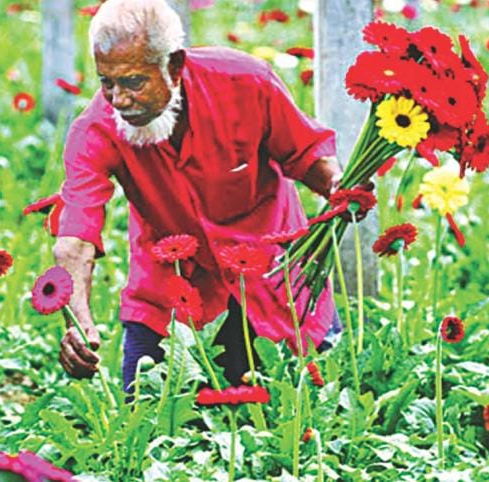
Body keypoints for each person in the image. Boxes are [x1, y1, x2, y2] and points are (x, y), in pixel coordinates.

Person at [53, 0, 342, 393]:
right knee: (149, 421)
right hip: (171, 292)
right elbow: (75, 239)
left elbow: (305, 153)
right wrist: (78, 319)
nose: (119, 99)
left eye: (134, 82)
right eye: (108, 83)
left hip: (272, 282)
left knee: (306, 411)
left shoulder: (246, 82)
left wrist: (339, 187)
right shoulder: (95, 130)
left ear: (173, 66)